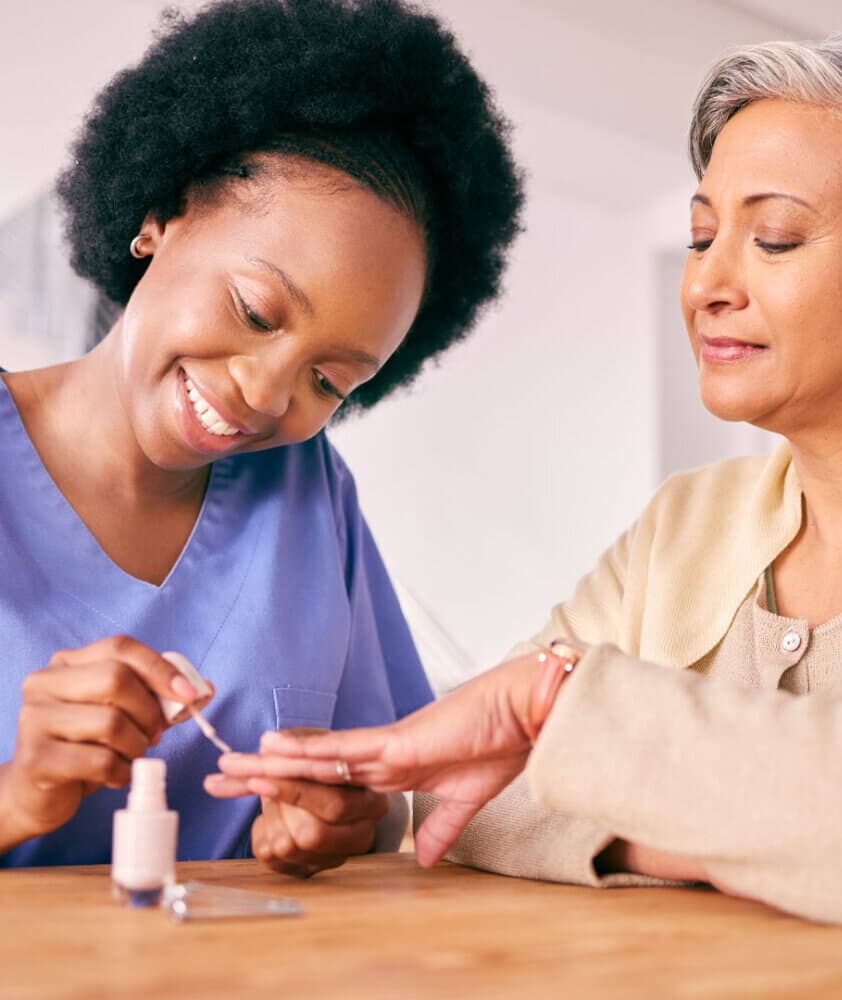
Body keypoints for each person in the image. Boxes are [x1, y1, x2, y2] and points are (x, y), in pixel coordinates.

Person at [217, 19, 842, 932]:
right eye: (704, 235)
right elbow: (469, 800)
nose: (709, 281)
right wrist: (761, 845)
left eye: (777, 239)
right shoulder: (686, 526)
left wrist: (562, 712)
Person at [0, 0, 522, 876]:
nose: (263, 392)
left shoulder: (309, 494)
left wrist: (343, 821)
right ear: (161, 215)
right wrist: (16, 794)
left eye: (330, 380)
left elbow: (387, 785)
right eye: (254, 311)